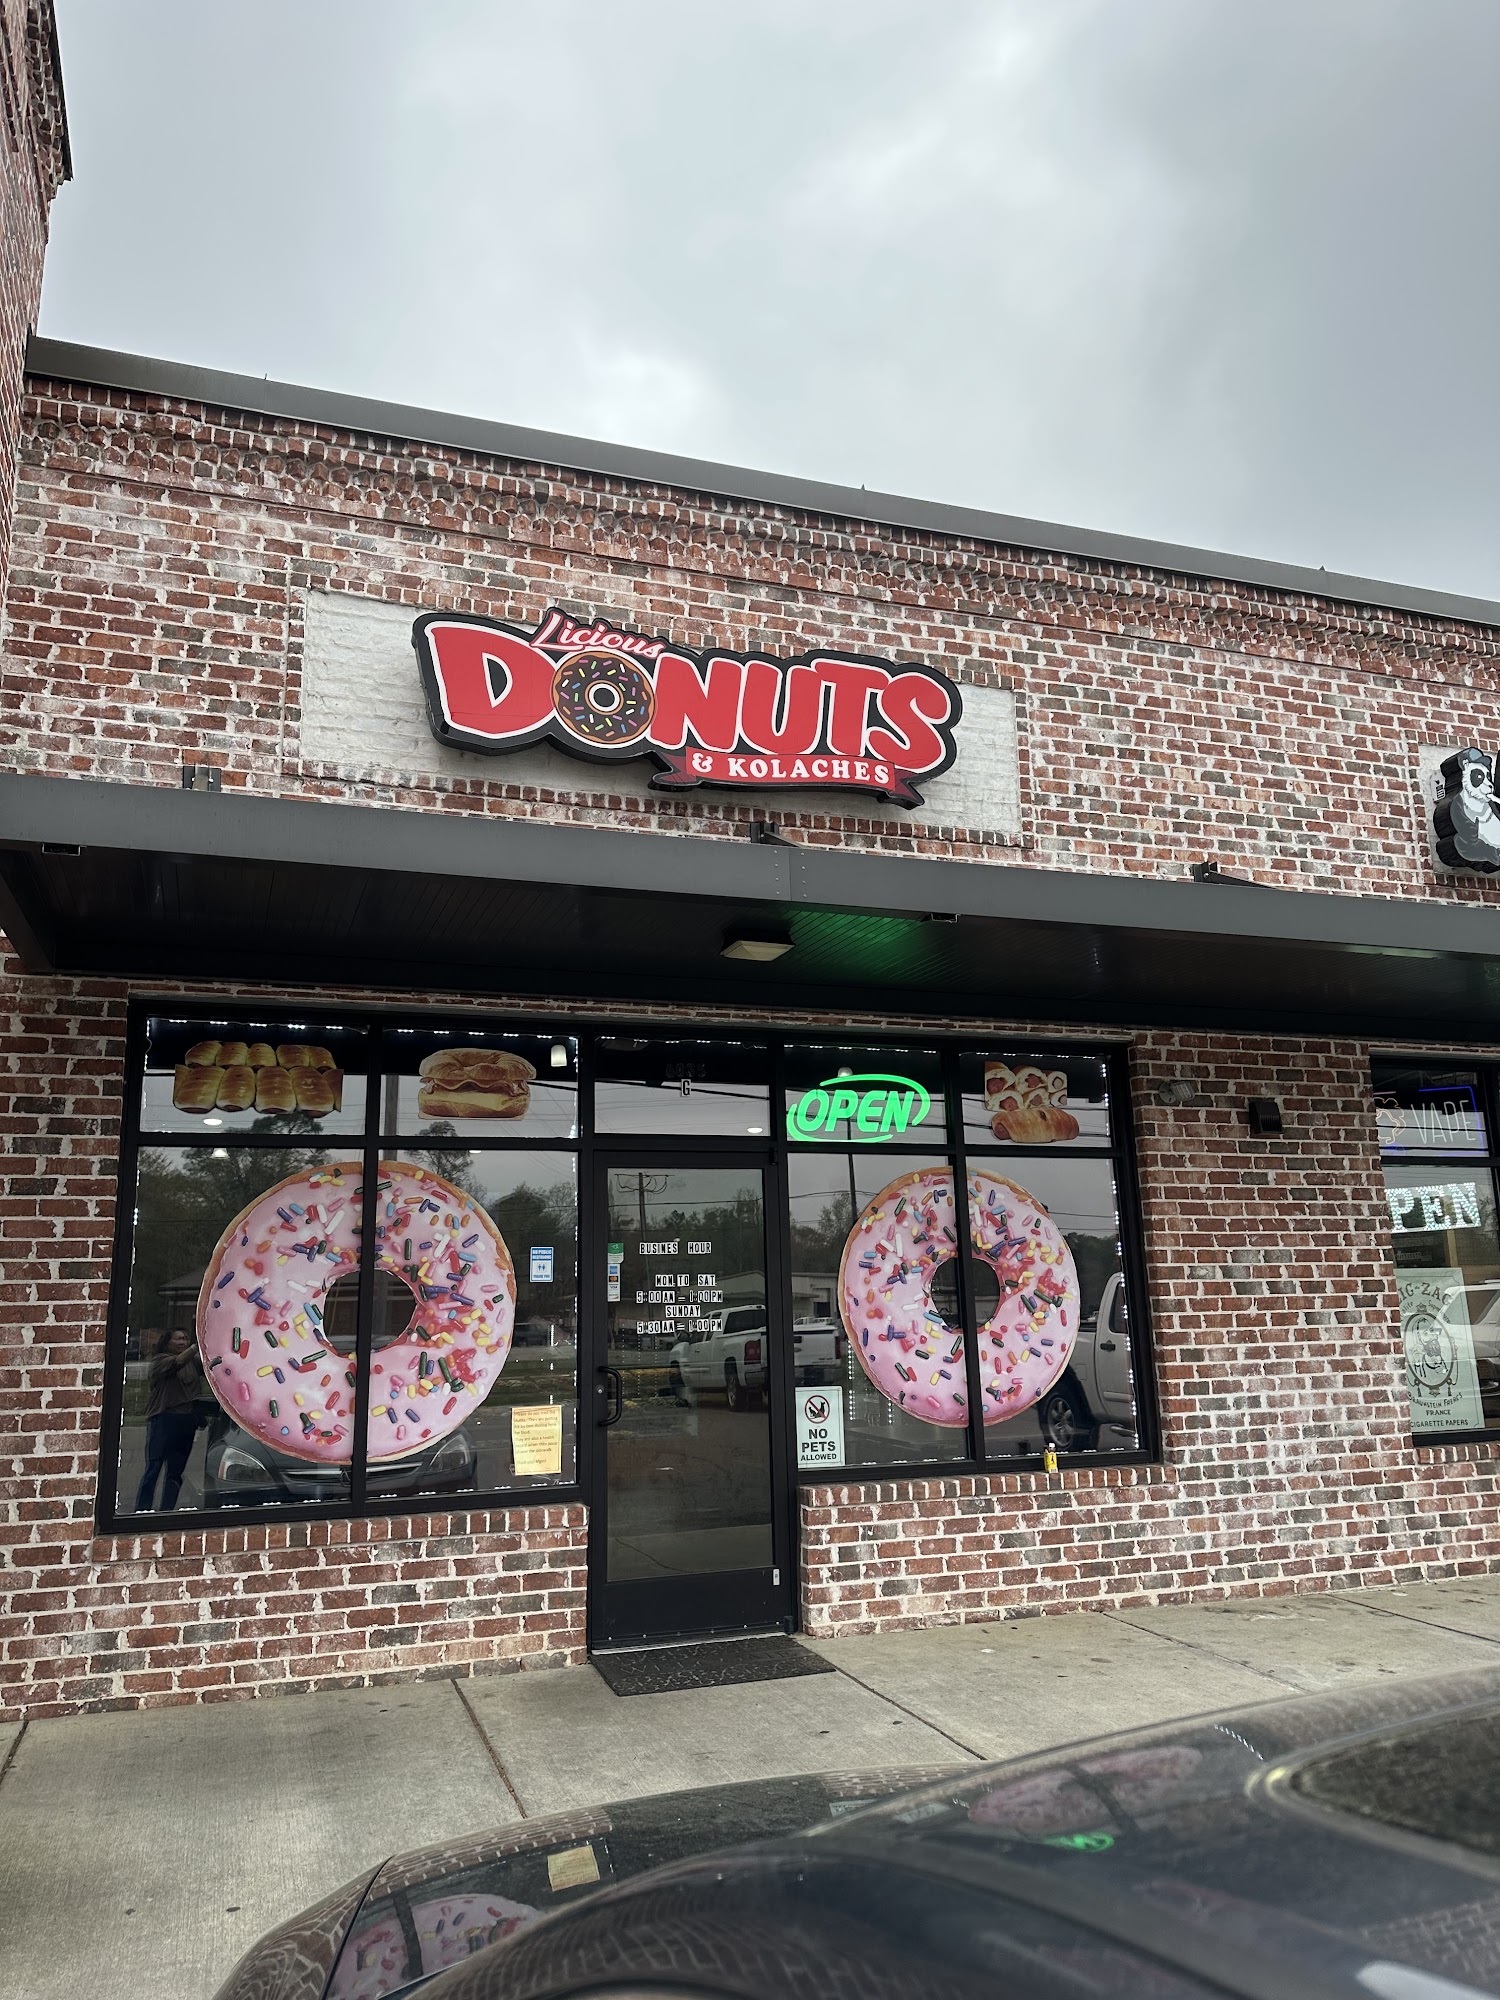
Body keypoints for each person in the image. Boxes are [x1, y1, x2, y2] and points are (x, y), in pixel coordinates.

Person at [134, 1326, 206, 1511]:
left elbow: (209, 1366)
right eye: (178, 1339)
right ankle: (143, 1510)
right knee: (154, 1469)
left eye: (185, 1338)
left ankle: (167, 1511)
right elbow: (177, 1363)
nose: (183, 1342)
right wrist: (195, 1346)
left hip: (186, 1421)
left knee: (175, 1472)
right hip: (164, 1419)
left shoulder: (192, 1362)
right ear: (167, 1342)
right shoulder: (161, 1360)